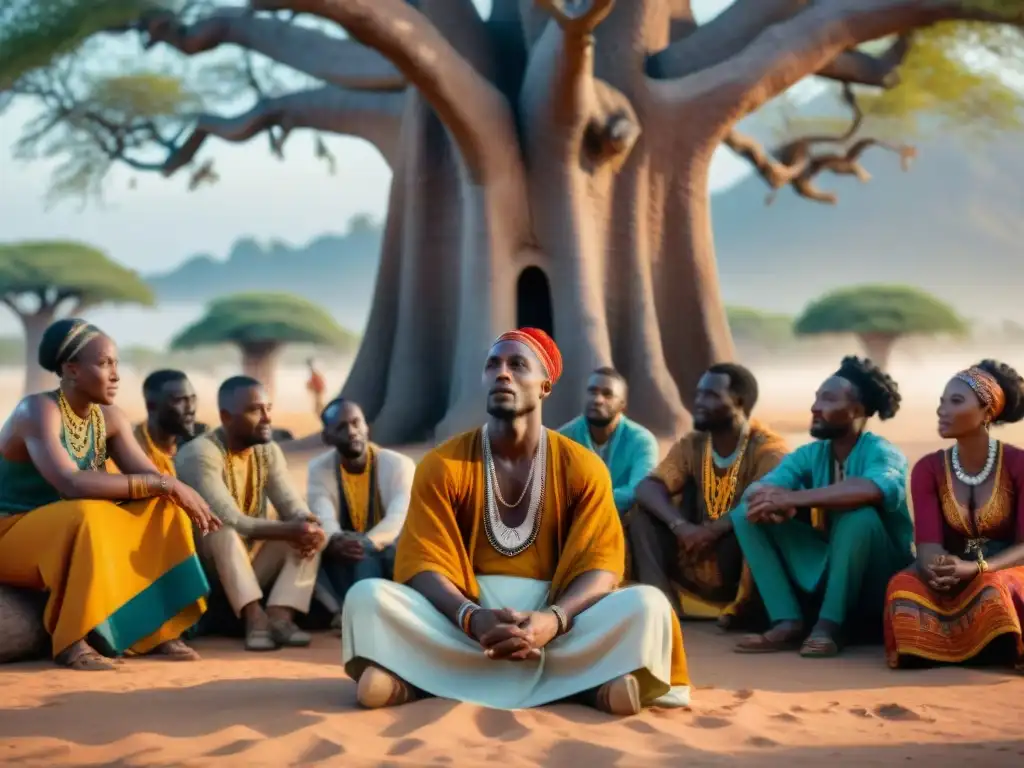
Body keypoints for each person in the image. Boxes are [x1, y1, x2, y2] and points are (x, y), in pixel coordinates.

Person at [340, 328, 690, 716]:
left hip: (557, 618)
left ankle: (415, 682)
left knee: (649, 604)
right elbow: (421, 561)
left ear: (545, 386)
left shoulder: (583, 467)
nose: (502, 373)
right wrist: (471, 618)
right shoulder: (443, 463)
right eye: (493, 365)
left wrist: (553, 622)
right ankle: (591, 687)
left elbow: (603, 566)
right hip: (464, 620)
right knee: (366, 597)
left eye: (517, 365)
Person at [0, 319, 218, 670]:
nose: (115, 374)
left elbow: (149, 478)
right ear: (71, 369)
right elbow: (69, 483)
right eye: (104, 364)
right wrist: (165, 483)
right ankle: (74, 640)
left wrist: (171, 489)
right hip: (10, 531)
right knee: (86, 512)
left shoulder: (110, 418)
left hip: (67, 530)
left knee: (165, 508)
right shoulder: (37, 411)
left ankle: (158, 630)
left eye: (116, 363)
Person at [731, 356, 914, 657]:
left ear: (858, 410)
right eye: (816, 398)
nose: (815, 407)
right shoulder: (811, 454)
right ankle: (787, 620)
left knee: (859, 516)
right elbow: (761, 488)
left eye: (828, 399)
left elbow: (870, 489)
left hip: (880, 575)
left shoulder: (883, 452)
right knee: (746, 513)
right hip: (830, 566)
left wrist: (793, 499)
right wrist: (771, 500)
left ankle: (829, 627)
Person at [885, 360, 1024, 671]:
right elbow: (928, 542)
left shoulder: (1018, 464)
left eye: (956, 401)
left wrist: (977, 568)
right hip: (954, 571)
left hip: (1010, 567)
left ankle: (1001, 644)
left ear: (987, 412)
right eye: (941, 402)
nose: (942, 410)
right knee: (902, 586)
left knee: (995, 587)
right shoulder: (929, 469)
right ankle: (974, 646)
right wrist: (937, 568)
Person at [175, 376, 326, 652]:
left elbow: (291, 503)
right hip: (207, 576)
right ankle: (255, 618)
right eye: (256, 410)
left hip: (249, 568)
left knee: (309, 531)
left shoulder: (267, 450)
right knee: (223, 530)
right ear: (226, 417)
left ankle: (280, 615)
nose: (267, 417)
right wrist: (293, 528)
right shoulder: (200, 454)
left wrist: (308, 524)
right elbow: (230, 518)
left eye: (269, 408)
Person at [631, 364, 788, 627]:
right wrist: (680, 526)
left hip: (736, 556)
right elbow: (648, 486)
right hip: (691, 548)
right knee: (641, 515)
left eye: (711, 395)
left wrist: (713, 530)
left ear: (739, 402)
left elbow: (765, 499)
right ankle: (662, 607)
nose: (699, 403)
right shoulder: (693, 443)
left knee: (759, 519)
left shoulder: (769, 448)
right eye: (699, 394)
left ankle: (745, 610)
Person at [307, 398, 415, 627]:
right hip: (344, 554)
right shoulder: (319, 469)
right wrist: (336, 540)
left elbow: (398, 517)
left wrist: (366, 543)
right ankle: (344, 612)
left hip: (387, 551)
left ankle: (367, 615)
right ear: (327, 437)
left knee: (391, 551)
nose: (352, 432)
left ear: (368, 427)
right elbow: (323, 515)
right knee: (310, 546)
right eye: (341, 427)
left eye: (357, 423)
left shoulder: (398, 464)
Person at [558, 367, 659, 514]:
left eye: (607, 394)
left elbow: (640, 490)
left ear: (622, 405)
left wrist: (588, 502)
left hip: (623, 522)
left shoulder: (642, 441)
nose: (597, 400)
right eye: (592, 392)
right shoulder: (563, 438)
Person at [134, 369, 198, 476]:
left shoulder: (199, 442)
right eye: (179, 401)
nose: (190, 409)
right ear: (152, 407)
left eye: (192, 399)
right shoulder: (131, 448)